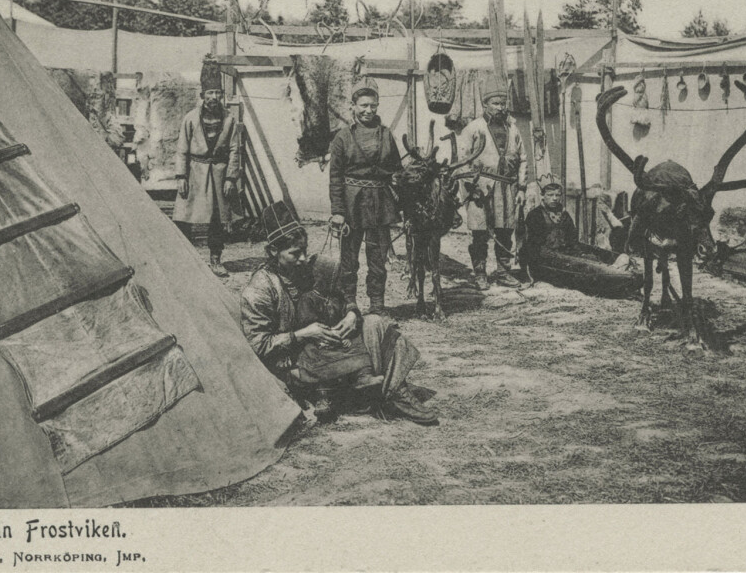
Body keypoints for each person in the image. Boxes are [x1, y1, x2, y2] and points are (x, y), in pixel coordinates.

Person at [240, 201, 438, 425]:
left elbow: (344, 295)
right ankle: (380, 393)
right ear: (274, 251)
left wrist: (351, 314)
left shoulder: (315, 268)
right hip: (296, 358)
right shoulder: (260, 290)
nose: (303, 258)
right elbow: (258, 345)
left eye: (304, 250)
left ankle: (393, 392)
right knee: (327, 356)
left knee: (374, 322)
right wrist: (303, 334)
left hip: (330, 342)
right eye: (295, 253)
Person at [328, 77, 403, 314]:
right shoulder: (342, 137)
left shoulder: (387, 134)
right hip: (352, 203)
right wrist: (338, 212)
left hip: (380, 203)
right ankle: (349, 302)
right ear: (353, 106)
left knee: (378, 257)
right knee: (349, 258)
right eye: (363, 105)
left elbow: (397, 171)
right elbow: (335, 177)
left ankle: (377, 304)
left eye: (372, 105)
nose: (368, 110)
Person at [454, 75, 527, 290]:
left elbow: (522, 157)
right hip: (481, 187)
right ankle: (480, 274)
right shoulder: (474, 128)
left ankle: (504, 272)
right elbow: (462, 161)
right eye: (495, 103)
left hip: (507, 187)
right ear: (485, 104)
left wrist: (522, 187)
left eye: (503, 103)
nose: (500, 107)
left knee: (505, 230)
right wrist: (471, 187)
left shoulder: (513, 128)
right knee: (480, 232)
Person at [174, 56, 242, 277]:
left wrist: (231, 178)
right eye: (210, 94)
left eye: (218, 94)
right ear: (202, 96)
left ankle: (215, 259)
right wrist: (181, 176)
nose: (214, 98)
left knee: (217, 220)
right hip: (195, 172)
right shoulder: (190, 119)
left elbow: (234, 149)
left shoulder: (230, 119)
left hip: (219, 174)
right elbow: (182, 149)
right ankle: (185, 259)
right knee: (186, 217)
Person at [523, 178, 642, 297]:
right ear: (543, 196)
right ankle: (618, 275)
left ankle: (616, 269)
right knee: (587, 267)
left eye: (557, 195)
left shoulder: (563, 214)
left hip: (565, 252)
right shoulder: (535, 215)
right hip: (546, 260)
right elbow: (534, 247)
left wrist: (580, 254)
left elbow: (572, 240)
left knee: (593, 257)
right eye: (550, 195)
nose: (554, 198)